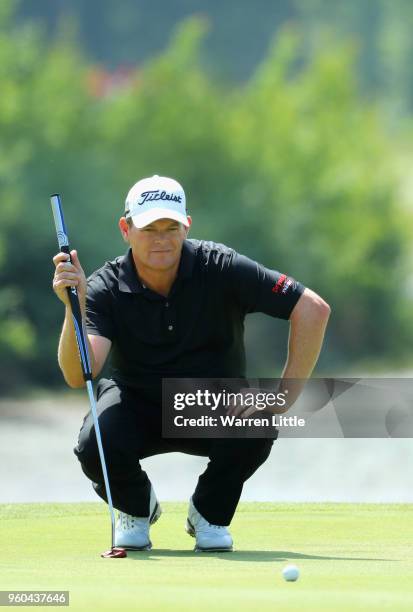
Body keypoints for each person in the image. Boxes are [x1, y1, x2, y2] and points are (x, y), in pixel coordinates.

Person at [52, 174, 330, 552]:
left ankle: (209, 513)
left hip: (210, 407)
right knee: (95, 443)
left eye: (171, 227)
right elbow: (78, 373)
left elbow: (312, 309)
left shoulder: (221, 266)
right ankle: (135, 507)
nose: (161, 238)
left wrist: (284, 396)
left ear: (187, 227)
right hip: (137, 405)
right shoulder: (105, 285)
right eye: (149, 227)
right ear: (126, 229)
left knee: (258, 419)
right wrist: (76, 306)